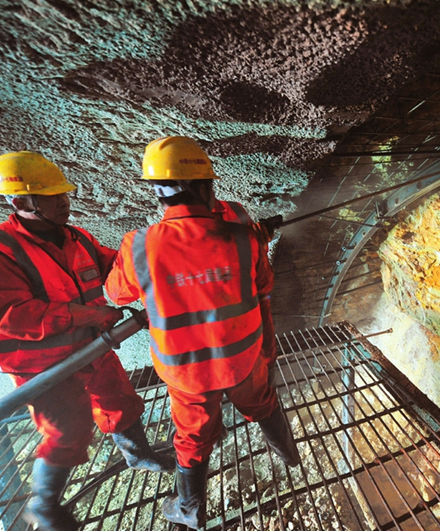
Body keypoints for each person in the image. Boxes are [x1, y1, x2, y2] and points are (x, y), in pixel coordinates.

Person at [0, 151, 175, 531]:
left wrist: (159, 267)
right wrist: (93, 316)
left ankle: (138, 455)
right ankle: (43, 506)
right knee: (67, 431)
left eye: (63, 194)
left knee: (119, 399)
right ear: (21, 201)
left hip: (93, 347)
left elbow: (114, 268)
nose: (63, 202)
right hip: (44, 366)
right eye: (51, 196)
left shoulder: (76, 238)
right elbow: (14, 315)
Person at [105, 136, 300, 530]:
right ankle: (289, 455)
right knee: (261, 402)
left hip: (187, 372)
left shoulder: (138, 246)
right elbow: (263, 285)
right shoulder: (244, 238)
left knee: (192, 439)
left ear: (158, 194)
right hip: (242, 359)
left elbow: (114, 292)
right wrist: (255, 240)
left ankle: (191, 511)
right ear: (208, 187)